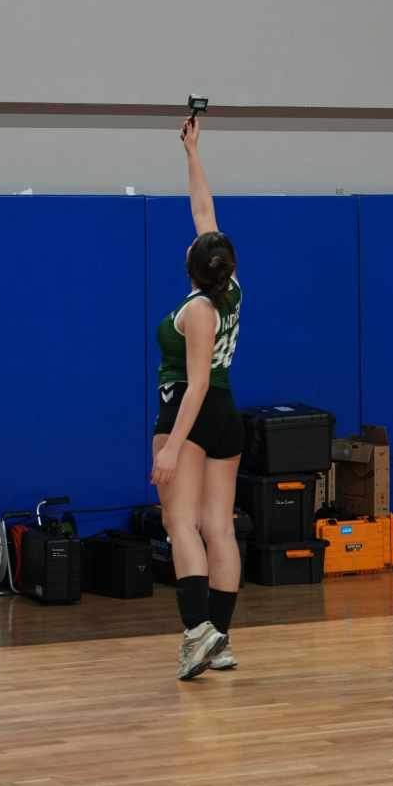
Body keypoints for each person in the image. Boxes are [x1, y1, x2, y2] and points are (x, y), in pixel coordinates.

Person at [152, 115, 243, 681]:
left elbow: (199, 383)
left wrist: (171, 446)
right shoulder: (230, 289)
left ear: (192, 263)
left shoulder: (196, 311)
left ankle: (197, 633)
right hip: (226, 419)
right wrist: (192, 153)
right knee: (219, 528)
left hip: (191, 410)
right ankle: (221, 641)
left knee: (180, 524)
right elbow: (205, 212)